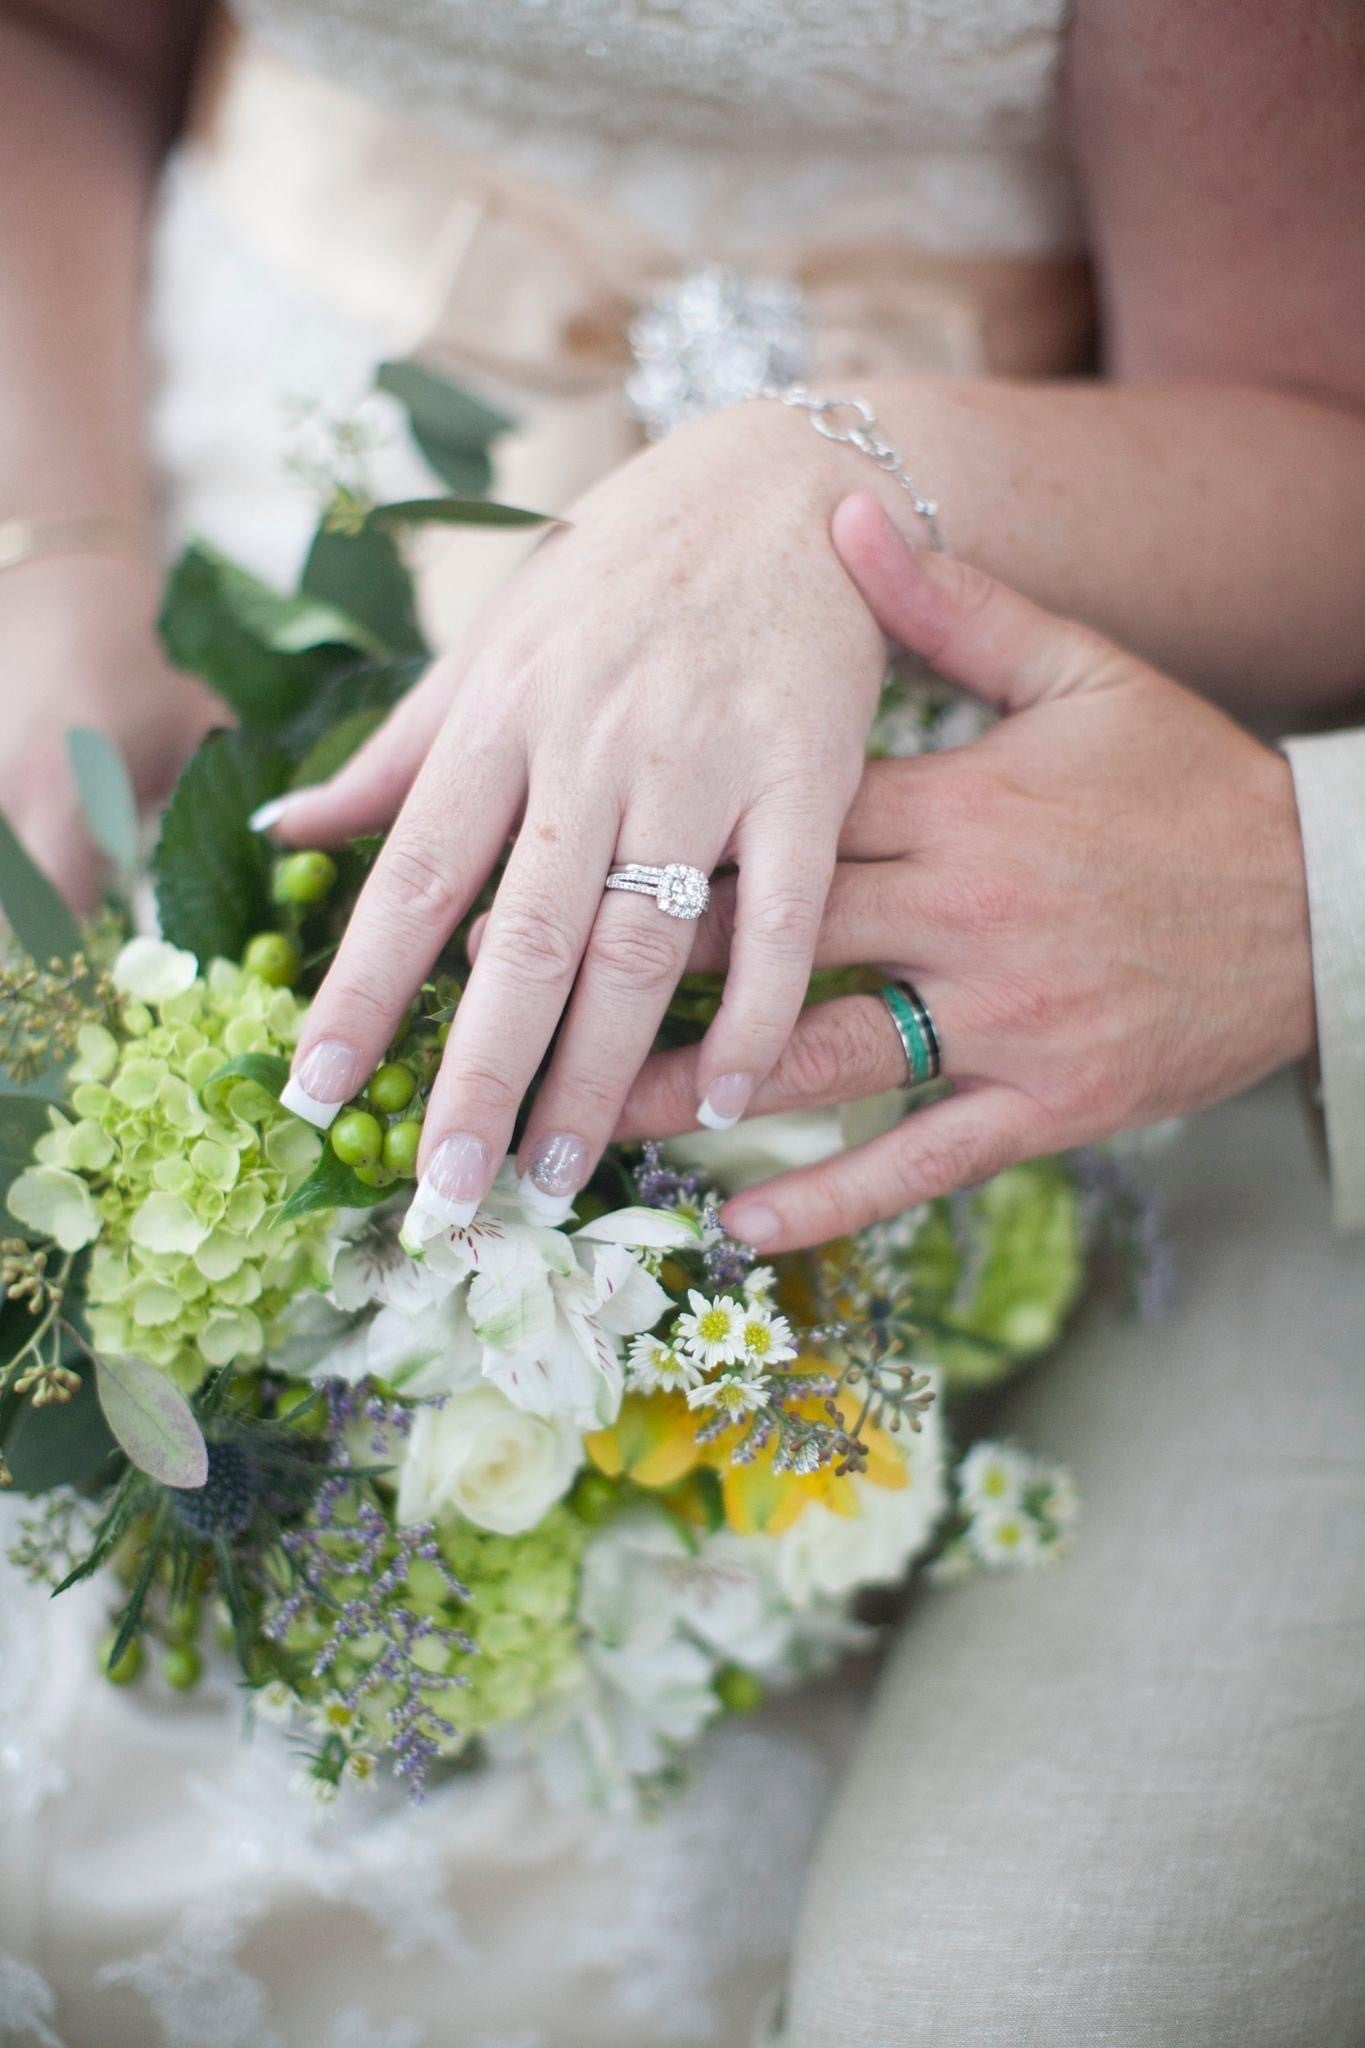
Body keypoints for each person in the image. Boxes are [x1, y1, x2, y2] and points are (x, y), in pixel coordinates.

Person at [0, 2, 1362, 2043]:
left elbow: (1317, 412)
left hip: (922, 769)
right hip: (174, 543)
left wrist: (824, 476)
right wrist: (47, 573)